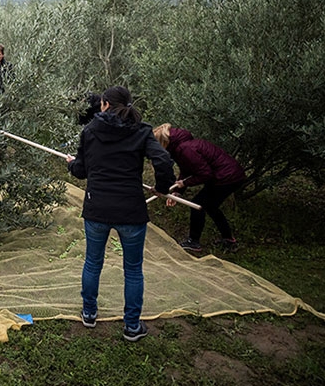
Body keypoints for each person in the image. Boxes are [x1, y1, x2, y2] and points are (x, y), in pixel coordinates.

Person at [66, 86, 174, 342]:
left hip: (97, 208)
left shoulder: (90, 130)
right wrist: (161, 188)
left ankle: (89, 314)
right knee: (133, 270)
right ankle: (132, 327)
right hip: (131, 209)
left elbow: (81, 171)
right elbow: (163, 161)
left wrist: (71, 164)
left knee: (93, 263)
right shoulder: (142, 130)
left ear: (104, 104)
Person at [153, 123, 246, 252]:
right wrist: (178, 192)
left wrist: (184, 184)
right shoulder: (180, 147)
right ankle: (229, 239)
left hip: (227, 177)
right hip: (227, 175)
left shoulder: (186, 149)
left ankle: (194, 242)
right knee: (211, 207)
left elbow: (205, 174)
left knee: (197, 204)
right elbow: (187, 170)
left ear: (163, 142)